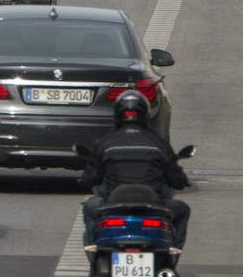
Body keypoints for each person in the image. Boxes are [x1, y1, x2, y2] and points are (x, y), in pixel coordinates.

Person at [79, 91, 190, 247]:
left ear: (117, 113)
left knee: (90, 208)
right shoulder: (158, 142)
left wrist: (86, 179)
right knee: (182, 210)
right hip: (154, 207)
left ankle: (94, 250)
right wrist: (183, 180)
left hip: (113, 205)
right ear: (145, 114)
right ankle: (173, 251)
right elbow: (176, 180)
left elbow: (90, 178)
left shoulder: (106, 142)